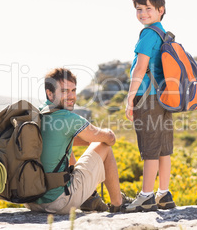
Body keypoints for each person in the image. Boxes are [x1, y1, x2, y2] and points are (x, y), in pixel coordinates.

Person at [25, 68, 131, 214]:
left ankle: (90, 198)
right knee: (104, 146)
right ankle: (118, 204)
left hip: (33, 202)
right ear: (50, 93)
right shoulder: (68, 118)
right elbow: (108, 139)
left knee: (67, 143)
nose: (71, 96)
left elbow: (58, 141)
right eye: (64, 91)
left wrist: (88, 141)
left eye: (73, 90)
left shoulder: (39, 114)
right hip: (58, 202)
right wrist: (108, 134)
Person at [125, 0, 176, 212]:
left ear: (160, 10)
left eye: (148, 9)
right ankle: (163, 194)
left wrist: (130, 98)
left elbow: (140, 67)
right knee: (164, 148)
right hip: (165, 99)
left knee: (150, 149)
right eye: (139, 9)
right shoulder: (164, 33)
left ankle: (146, 197)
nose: (143, 13)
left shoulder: (147, 34)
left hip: (147, 98)